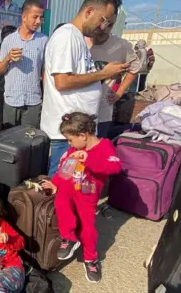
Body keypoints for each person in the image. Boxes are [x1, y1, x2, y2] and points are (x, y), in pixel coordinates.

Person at [40, 0, 127, 177]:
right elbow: (62, 81)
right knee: (62, 185)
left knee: (75, 185)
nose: (103, 27)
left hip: (77, 134)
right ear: (89, 12)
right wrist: (103, 74)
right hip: (66, 137)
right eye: (103, 20)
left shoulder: (78, 38)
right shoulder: (66, 36)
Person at [41, 113, 121, 283]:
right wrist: (54, 183)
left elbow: (114, 167)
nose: (69, 144)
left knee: (87, 228)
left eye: (70, 139)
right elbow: (65, 170)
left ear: (83, 135)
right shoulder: (74, 150)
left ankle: (90, 259)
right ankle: (68, 237)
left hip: (87, 193)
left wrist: (89, 159)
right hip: (70, 188)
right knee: (61, 200)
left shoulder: (104, 147)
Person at [0, 0, 48, 129]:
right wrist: (8, 58)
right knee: (10, 142)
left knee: (30, 141)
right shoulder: (9, 40)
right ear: (24, 17)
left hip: (33, 102)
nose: (38, 21)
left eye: (41, 18)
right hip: (12, 100)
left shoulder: (43, 40)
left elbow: (45, 71)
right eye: (35, 17)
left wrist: (47, 98)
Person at [89, 18, 142, 138]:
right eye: (100, 25)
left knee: (98, 151)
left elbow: (135, 69)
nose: (104, 29)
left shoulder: (121, 46)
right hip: (78, 112)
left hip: (103, 113)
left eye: (109, 25)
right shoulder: (80, 42)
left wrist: (119, 93)